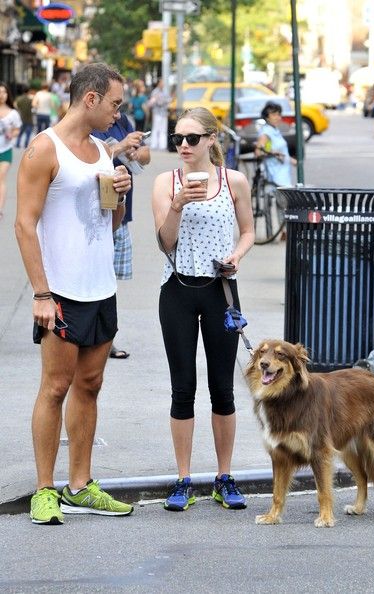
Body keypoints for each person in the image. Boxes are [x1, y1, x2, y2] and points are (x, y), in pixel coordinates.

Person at [15, 62, 134, 525]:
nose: (117, 115)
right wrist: (41, 294)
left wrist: (120, 197)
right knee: (55, 388)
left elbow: (110, 223)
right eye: (114, 104)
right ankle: (44, 491)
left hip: (100, 287)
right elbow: (24, 226)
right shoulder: (43, 150)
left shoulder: (103, 151)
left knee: (91, 385)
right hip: (60, 291)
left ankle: (80, 485)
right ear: (90, 99)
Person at [151, 107, 255, 512]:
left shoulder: (234, 181)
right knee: (182, 388)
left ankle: (224, 476)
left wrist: (237, 256)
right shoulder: (165, 182)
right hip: (177, 288)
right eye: (178, 139)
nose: (184, 146)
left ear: (212, 140)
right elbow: (165, 243)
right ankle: (183, 479)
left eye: (192, 139)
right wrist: (176, 204)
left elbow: (247, 231)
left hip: (220, 290)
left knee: (223, 389)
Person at [93, 112, 151, 359]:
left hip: (120, 213)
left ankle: (106, 338)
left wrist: (135, 153)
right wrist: (120, 146)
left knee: (109, 282)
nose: (117, 111)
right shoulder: (89, 123)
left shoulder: (123, 121)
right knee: (93, 277)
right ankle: (92, 337)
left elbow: (146, 156)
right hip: (94, 216)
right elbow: (88, 159)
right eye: (113, 103)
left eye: (120, 103)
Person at [255, 101, 296, 186]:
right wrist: (273, 152)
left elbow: (281, 151)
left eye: (279, 114)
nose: (277, 117)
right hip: (275, 176)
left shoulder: (274, 130)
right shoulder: (266, 133)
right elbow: (258, 152)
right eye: (274, 115)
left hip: (283, 173)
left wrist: (291, 160)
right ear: (267, 117)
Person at [0, 81, 22, 220]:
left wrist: (11, 134)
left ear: (7, 94)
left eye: (4, 92)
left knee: (1, 178)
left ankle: (0, 209)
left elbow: (17, 130)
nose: (1, 95)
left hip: (6, 150)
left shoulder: (13, 113)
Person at [148, 79, 170, 150]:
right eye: (162, 83)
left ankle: (162, 145)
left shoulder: (165, 92)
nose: (163, 84)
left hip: (164, 113)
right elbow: (157, 102)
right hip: (157, 113)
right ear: (159, 83)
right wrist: (163, 101)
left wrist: (163, 101)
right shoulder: (155, 92)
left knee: (163, 130)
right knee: (156, 129)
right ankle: (154, 144)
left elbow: (168, 100)